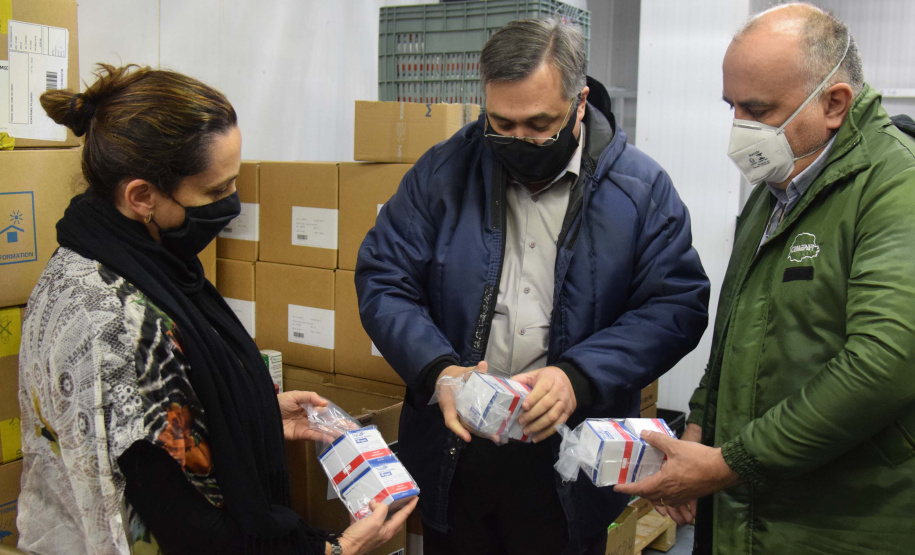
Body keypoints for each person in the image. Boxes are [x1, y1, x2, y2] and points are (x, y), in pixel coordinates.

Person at [17, 64, 415, 555]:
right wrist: (337, 550)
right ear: (142, 196)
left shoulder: (106, 257)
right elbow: (188, 530)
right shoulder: (116, 325)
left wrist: (256, 413)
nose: (233, 202)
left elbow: (152, 421)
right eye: (216, 191)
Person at [355, 18, 709, 555]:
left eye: (540, 123)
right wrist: (437, 369)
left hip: (570, 458)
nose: (518, 139)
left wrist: (580, 375)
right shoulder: (442, 173)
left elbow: (676, 304)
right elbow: (384, 278)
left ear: (580, 101)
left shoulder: (639, 190)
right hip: (459, 452)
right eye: (502, 122)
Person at [615, 4, 915, 554]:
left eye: (757, 109)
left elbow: (885, 363)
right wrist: (699, 435)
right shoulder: (777, 187)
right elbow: (734, 336)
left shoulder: (897, 188)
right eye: (732, 107)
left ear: (834, 102)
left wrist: (730, 464)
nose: (740, 130)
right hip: (750, 514)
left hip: (840, 522)